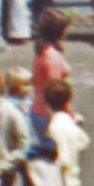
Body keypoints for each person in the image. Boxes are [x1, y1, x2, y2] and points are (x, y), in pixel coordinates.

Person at [45, 78, 90, 186]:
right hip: (75, 181)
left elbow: (62, 159)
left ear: (47, 103)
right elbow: (84, 141)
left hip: (61, 183)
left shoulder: (54, 127)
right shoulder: (69, 122)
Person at [31, 8, 72, 142]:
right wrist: (70, 114)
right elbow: (55, 94)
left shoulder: (42, 52)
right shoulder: (51, 57)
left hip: (39, 109)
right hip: (48, 115)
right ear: (58, 31)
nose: (67, 31)